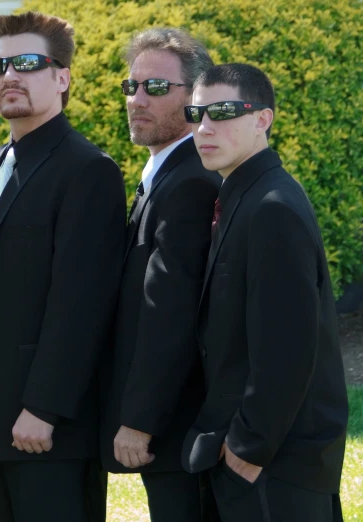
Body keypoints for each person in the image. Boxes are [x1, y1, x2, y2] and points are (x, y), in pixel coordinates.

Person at [0, 11, 126, 522]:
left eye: (27, 63)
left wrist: (44, 408)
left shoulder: (88, 170)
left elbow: (82, 304)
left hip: (49, 427)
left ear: (62, 77)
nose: (9, 76)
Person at [183, 63, 348, 521]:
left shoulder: (272, 207)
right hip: (257, 461)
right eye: (197, 112)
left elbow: (288, 350)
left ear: (263, 119)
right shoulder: (244, 195)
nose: (204, 127)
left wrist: (247, 451)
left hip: (274, 467)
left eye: (222, 111)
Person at [99, 28, 220, 522]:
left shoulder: (190, 182)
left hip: (177, 428)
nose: (137, 99)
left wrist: (139, 423)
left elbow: (169, 315)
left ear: (195, 99)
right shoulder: (164, 176)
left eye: (154, 88)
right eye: (131, 87)